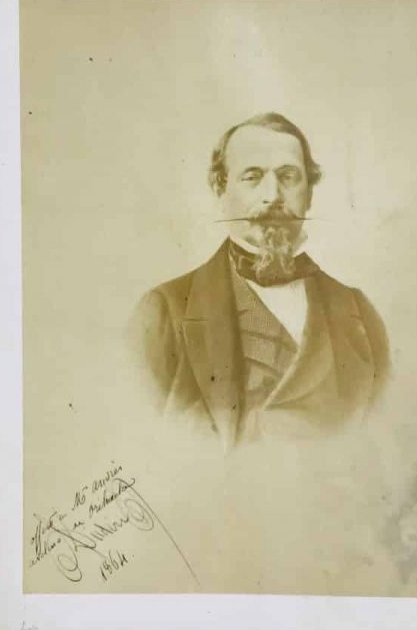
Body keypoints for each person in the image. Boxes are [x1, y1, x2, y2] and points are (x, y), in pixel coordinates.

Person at [131, 112, 389, 449]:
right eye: (252, 177)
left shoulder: (359, 313)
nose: (273, 196)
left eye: (288, 176)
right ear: (220, 190)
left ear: (309, 194)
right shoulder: (164, 311)